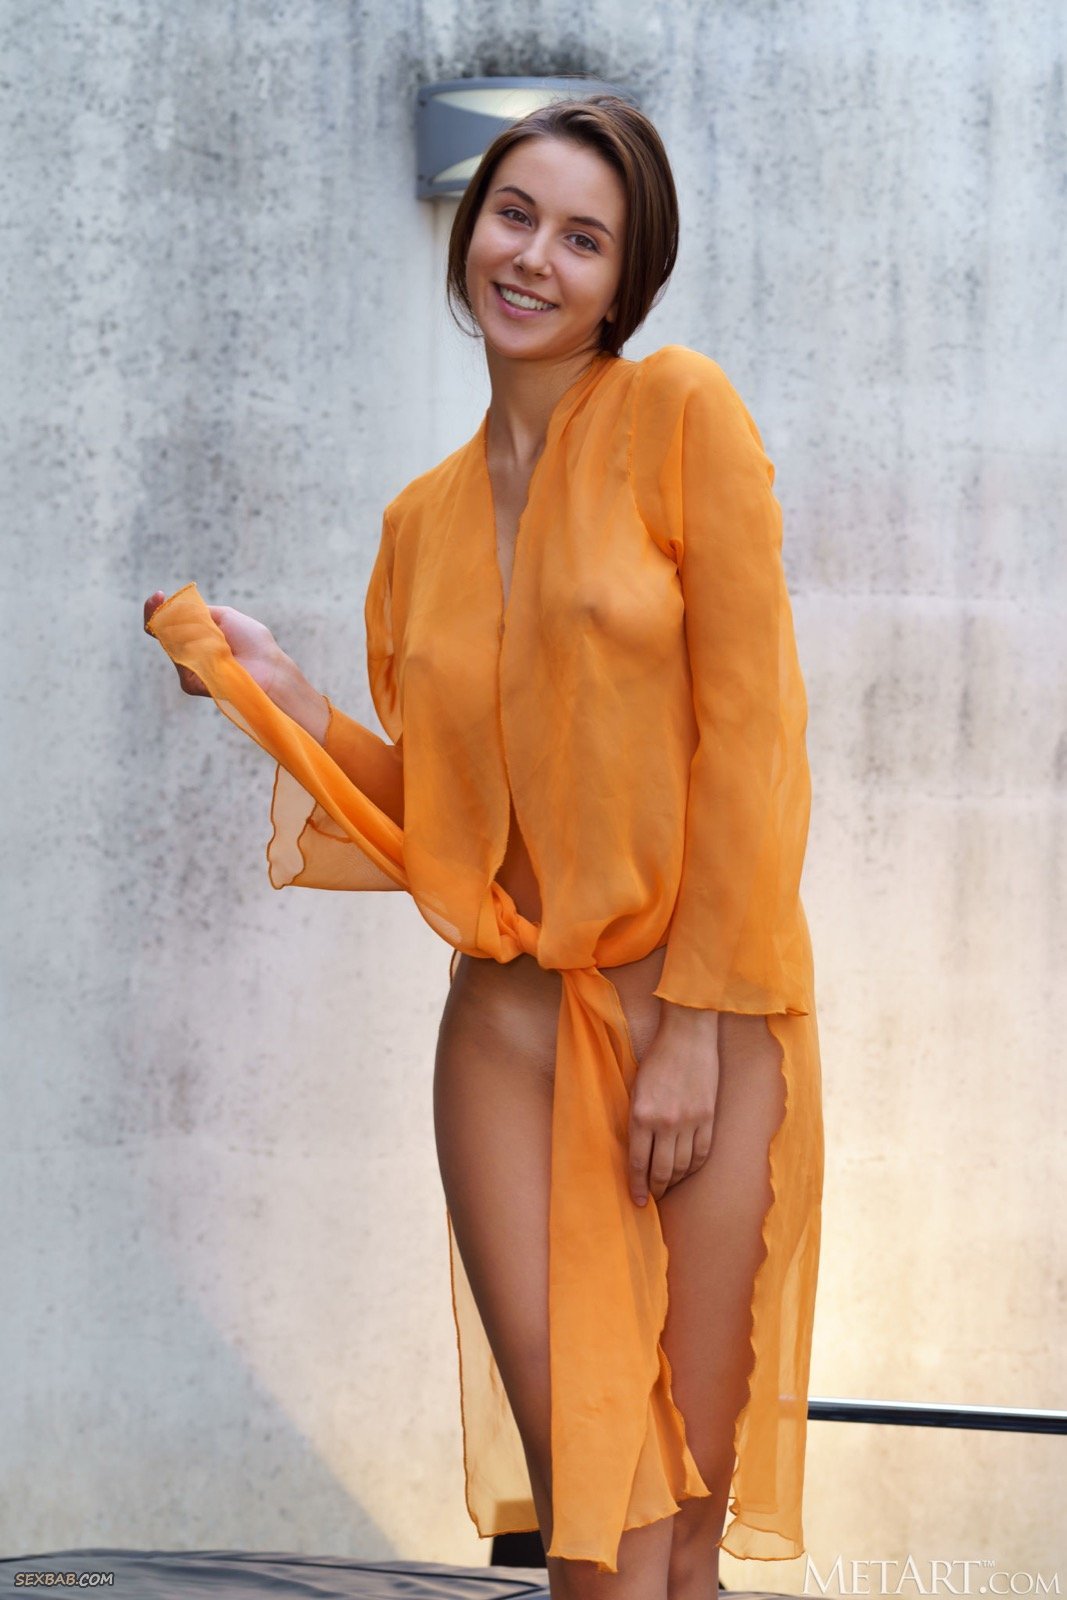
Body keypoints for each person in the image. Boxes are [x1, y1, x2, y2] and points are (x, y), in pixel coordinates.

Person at [145, 96, 824, 1600]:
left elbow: (755, 742)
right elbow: (451, 826)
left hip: (707, 1023)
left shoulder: (682, 415)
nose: (535, 258)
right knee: (597, 1528)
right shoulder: (421, 525)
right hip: (507, 1041)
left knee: (682, 1538)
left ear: (627, 278)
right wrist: (286, 696)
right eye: (515, 215)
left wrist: (694, 1029)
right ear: (472, 231)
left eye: (584, 238)